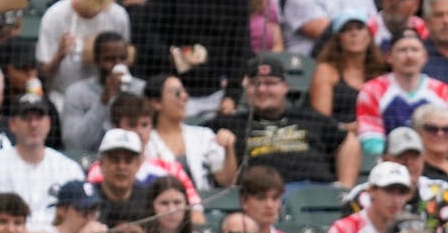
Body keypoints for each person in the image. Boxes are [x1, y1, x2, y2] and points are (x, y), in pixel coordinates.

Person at [134, 0, 251, 114]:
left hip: (210, 92)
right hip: (165, 86)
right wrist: (171, 56)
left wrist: (232, 95)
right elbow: (145, 31)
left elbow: (239, 50)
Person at [211, 54, 360, 189]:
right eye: (255, 83)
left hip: (318, 191)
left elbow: (348, 140)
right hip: (265, 197)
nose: (262, 89)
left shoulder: (309, 118)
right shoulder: (229, 124)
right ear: (246, 88)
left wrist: (344, 187)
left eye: (270, 83)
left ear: (285, 87)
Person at [0, 94, 86, 233]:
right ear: (12, 124)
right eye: (26, 118)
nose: (33, 124)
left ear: (48, 123)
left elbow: (82, 220)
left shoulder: (69, 169)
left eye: (38, 118)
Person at [37, 0, 131, 100]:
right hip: (63, 95)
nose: (103, 5)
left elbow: (126, 59)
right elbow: (44, 72)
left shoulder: (118, 15)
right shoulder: (55, 16)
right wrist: (60, 54)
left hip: (107, 93)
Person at [355, 30, 448, 163]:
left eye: (414, 50)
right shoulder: (372, 90)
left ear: (425, 56)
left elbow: (445, 134)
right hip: (387, 163)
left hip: (431, 162)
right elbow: (370, 138)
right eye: (402, 50)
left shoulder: (442, 91)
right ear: (389, 56)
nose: (409, 56)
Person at [145, 74, 232, 195]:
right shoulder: (145, 142)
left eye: (184, 91)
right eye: (177, 93)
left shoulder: (203, 135)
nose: (185, 97)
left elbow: (226, 180)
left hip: (207, 207)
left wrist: (229, 148)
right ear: (156, 103)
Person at [309, 14, 387, 133]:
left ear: (369, 35)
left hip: (377, 136)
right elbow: (321, 121)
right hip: (336, 138)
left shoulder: (381, 70)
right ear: (337, 39)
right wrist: (350, 128)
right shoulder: (325, 71)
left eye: (359, 28)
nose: (354, 33)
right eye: (346, 29)